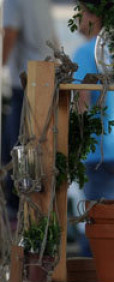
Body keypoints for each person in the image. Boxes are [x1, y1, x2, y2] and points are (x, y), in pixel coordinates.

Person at [72, 1, 114, 255]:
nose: (76, 19)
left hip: (100, 151)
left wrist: (74, 144)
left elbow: (82, 101)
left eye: (80, 13)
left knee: (96, 230)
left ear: (95, 16)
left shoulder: (87, 52)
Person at [2, 0, 57, 219]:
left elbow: (10, 33)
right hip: (47, 80)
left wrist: (2, 68)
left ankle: (19, 216)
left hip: (26, 84)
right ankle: (37, 215)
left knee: (17, 150)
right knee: (40, 151)